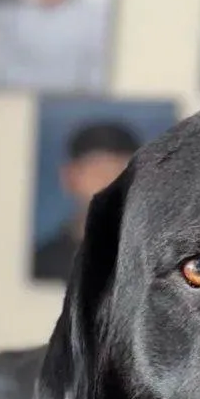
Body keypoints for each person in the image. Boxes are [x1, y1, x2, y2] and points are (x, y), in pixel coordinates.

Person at [33, 119, 139, 281]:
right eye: (97, 171)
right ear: (69, 177)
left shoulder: (156, 259)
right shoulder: (42, 264)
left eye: (120, 172)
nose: (108, 183)